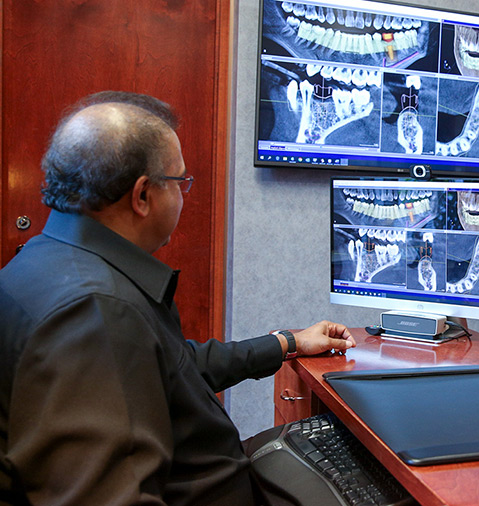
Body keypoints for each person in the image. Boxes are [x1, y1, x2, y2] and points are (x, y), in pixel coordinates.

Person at [0, 91, 356, 505]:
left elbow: (174, 365)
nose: (184, 195)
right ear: (142, 196)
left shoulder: (40, 262)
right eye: (180, 182)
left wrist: (287, 342)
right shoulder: (98, 312)